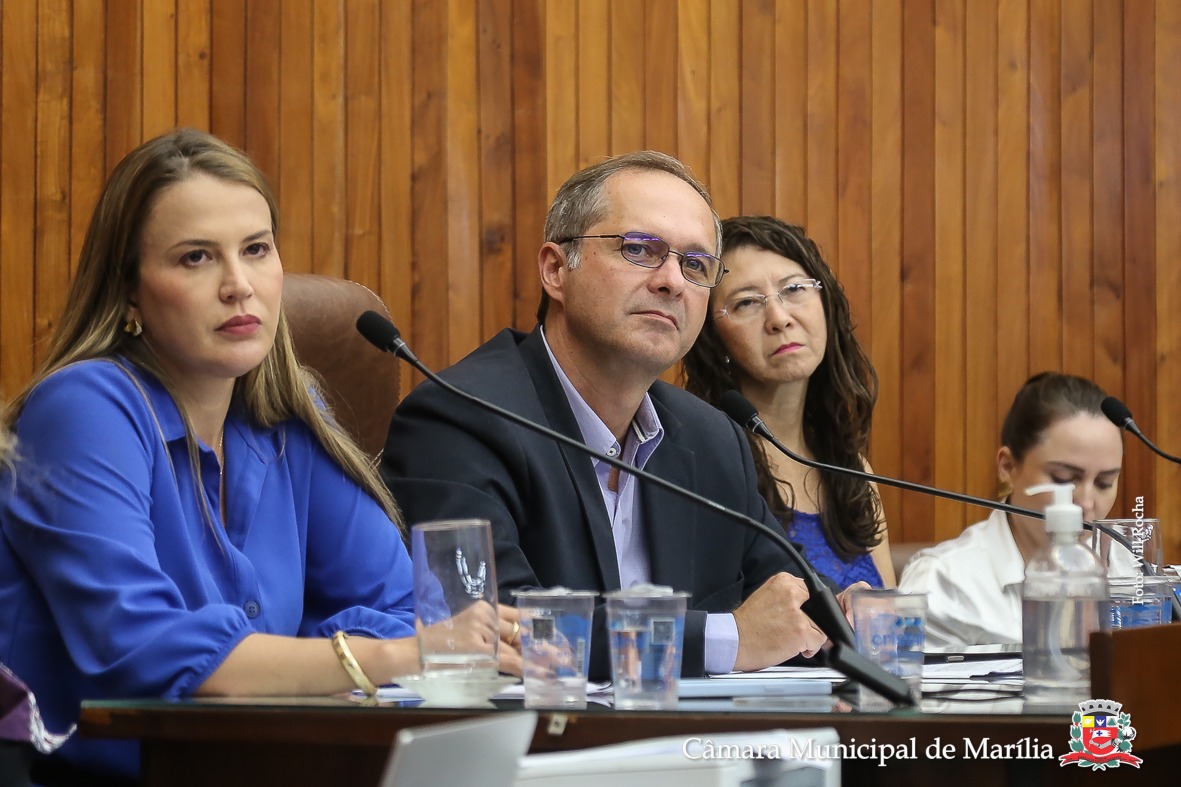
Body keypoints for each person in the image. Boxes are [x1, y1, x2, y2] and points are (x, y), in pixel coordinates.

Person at [0, 129, 520, 783]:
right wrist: (385, 658)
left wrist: (317, 651)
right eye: (196, 258)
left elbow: (404, 607)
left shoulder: (288, 417)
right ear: (130, 292)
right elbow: (138, 646)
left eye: (256, 249)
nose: (239, 285)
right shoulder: (85, 407)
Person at [383, 151, 856, 682]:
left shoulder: (713, 439)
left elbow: (790, 608)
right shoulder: (458, 418)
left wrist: (841, 615)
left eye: (696, 265)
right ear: (556, 270)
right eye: (639, 250)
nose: (672, 281)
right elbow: (494, 632)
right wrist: (728, 638)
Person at [682, 216, 893, 590]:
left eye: (794, 289)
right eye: (747, 302)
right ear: (713, 339)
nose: (779, 318)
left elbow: (888, 624)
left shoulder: (854, 470)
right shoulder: (708, 466)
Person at [897, 372, 1124, 650]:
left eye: (1105, 483)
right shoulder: (943, 582)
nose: (1087, 502)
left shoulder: (1130, 569)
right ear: (1007, 467)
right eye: (1064, 479)